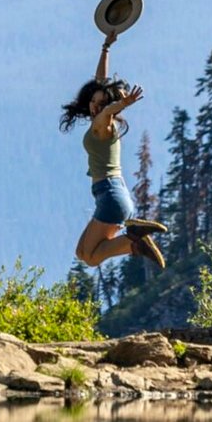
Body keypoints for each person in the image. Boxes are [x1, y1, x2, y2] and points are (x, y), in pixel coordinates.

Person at [60, 29, 166, 269]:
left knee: (91, 257)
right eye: (93, 102)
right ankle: (135, 241)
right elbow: (101, 82)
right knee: (83, 254)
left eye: (100, 104)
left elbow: (107, 110)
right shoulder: (107, 124)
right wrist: (105, 48)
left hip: (110, 195)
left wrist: (122, 104)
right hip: (110, 194)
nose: (96, 107)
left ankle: (134, 240)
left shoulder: (104, 124)